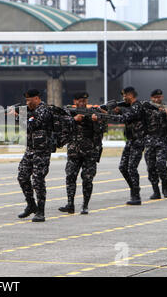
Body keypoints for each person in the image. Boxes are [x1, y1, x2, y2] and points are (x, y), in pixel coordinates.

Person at [59, 92, 107, 215]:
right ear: (75, 101)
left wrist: (96, 121)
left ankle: (85, 205)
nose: (83, 102)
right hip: (74, 152)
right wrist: (74, 120)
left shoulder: (93, 112)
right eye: (80, 100)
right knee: (70, 177)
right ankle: (70, 204)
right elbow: (60, 124)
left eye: (85, 100)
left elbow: (102, 130)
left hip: (89, 152)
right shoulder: (68, 113)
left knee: (87, 179)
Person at [12, 89, 54, 222]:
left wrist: (18, 116)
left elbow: (33, 125)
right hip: (30, 150)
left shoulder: (44, 110)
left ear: (37, 98)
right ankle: (31, 205)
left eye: (29, 100)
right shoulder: (30, 111)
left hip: (42, 151)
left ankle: (40, 211)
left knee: (38, 181)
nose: (27, 102)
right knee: (22, 176)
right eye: (26, 100)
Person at [114, 87, 146, 205]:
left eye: (124, 96)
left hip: (138, 141)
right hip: (130, 141)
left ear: (131, 95)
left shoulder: (137, 106)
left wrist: (115, 113)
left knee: (132, 168)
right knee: (123, 167)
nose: (123, 98)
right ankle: (134, 188)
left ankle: (136, 196)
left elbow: (128, 116)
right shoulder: (130, 107)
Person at [143, 89, 167, 199]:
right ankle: (156, 191)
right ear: (152, 98)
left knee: (161, 164)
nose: (157, 99)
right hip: (149, 142)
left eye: (159, 97)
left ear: (162, 97)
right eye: (155, 97)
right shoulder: (146, 108)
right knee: (150, 167)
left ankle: (165, 188)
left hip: (161, 141)